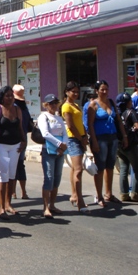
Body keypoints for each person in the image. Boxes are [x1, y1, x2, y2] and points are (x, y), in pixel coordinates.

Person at [87, 80, 128, 207]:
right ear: (97, 91)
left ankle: (108, 193)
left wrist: (124, 136)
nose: (105, 92)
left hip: (113, 138)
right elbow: (90, 125)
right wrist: (94, 142)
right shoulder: (93, 105)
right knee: (100, 168)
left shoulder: (111, 103)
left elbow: (118, 121)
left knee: (110, 167)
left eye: (106, 89)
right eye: (102, 89)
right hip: (100, 139)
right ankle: (99, 196)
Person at [0, 85, 26, 220]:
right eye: (7, 95)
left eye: (12, 95)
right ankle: (1, 208)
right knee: (2, 177)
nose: (10, 98)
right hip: (1, 146)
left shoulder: (17, 109)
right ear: (2, 97)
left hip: (15, 146)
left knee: (12, 176)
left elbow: (20, 126)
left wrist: (23, 141)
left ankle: (8, 204)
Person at [38, 94, 69, 219]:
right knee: (49, 178)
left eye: (56, 102)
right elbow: (45, 133)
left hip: (60, 151)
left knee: (57, 178)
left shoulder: (59, 118)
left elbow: (65, 132)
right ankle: (45, 207)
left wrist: (64, 145)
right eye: (51, 103)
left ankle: (52, 205)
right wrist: (58, 144)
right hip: (49, 150)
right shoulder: (43, 117)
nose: (54, 105)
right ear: (46, 105)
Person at [61, 81, 89, 212]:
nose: (76, 94)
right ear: (67, 92)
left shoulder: (76, 105)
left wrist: (85, 136)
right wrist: (81, 138)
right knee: (78, 170)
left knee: (74, 169)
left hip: (80, 137)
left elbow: (80, 123)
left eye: (77, 92)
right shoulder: (66, 107)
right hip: (73, 139)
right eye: (73, 91)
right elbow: (71, 126)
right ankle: (80, 201)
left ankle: (74, 195)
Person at [115, 92, 138, 202]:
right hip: (131, 144)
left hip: (119, 145)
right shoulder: (131, 112)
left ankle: (124, 194)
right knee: (136, 168)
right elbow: (136, 125)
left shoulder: (117, 114)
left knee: (124, 169)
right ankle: (135, 193)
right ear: (129, 102)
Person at [11, 84, 31, 200]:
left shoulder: (15, 107)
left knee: (15, 165)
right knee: (20, 165)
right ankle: (22, 192)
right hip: (22, 138)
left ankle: (15, 192)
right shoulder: (23, 107)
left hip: (17, 138)